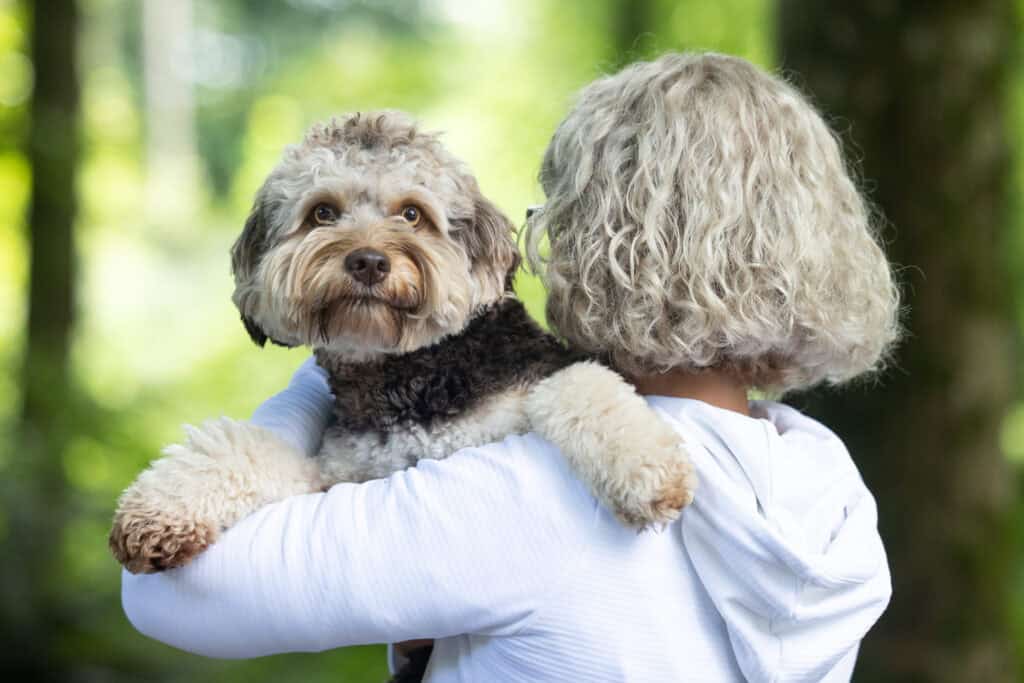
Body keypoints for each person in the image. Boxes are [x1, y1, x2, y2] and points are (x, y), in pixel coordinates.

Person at [121, 52, 899, 681]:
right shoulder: (824, 490)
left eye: (552, 213)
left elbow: (173, 591)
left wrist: (321, 374)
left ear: (600, 246)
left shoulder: (534, 492)